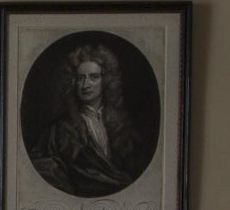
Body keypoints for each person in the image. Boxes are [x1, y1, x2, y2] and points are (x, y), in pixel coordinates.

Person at [28, 42, 145, 199]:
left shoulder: (122, 126)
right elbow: (41, 165)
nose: (85, 84)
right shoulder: (60, 127)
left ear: (106, 81)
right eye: (80, 78)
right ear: (73, 82)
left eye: (94, 77)